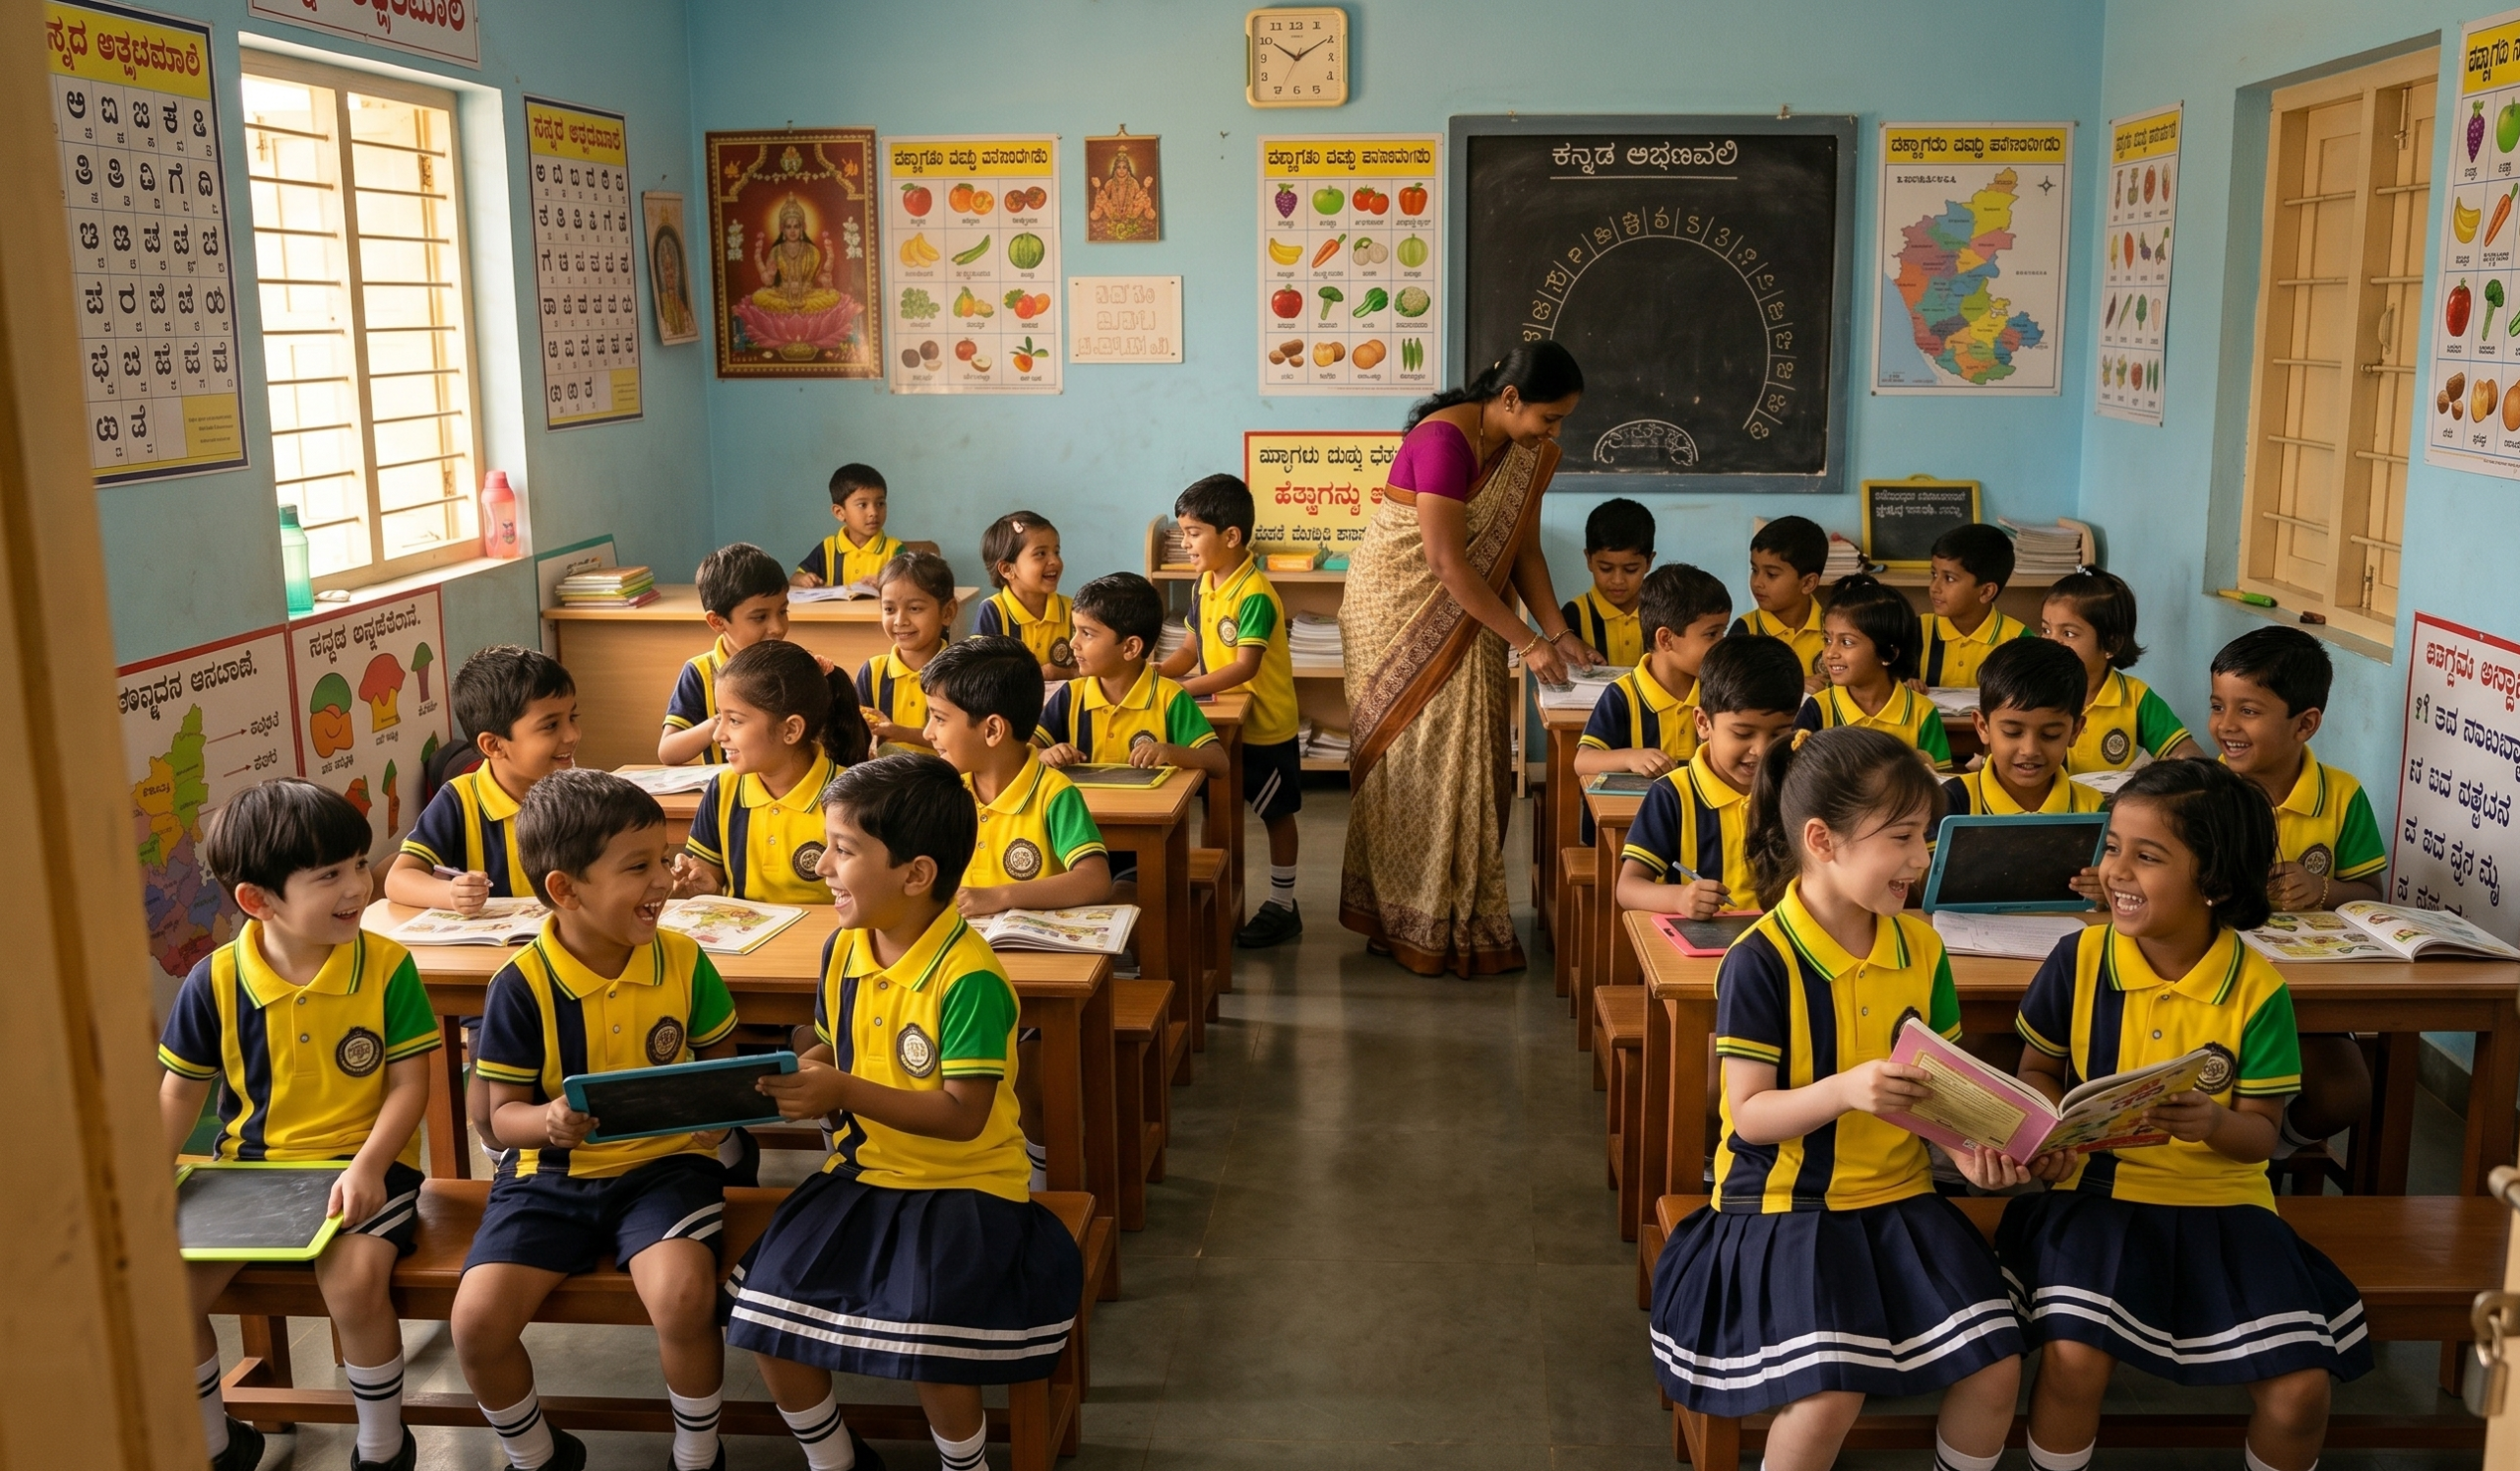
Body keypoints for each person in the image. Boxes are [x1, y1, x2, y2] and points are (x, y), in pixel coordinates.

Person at [1648, 727, 2023, 1471]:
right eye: (1902, 837)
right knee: (1830, 1395)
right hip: (1786, 1211)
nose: (1922, 859)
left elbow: (1940, 1092)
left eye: (1925, 836)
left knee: (1997, 1366)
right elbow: (1750, 1117)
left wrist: (1966, 1152)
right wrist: (1848, 1090)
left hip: (1899, 1201)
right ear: (1823, 840)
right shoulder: (1761, 959)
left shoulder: (1922, 947)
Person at [1995, 759, 2370, 1471]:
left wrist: (2213, 1125)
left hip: (2226, 1207)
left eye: (2148, 856)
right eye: (2113, 847)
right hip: (2098, 1197)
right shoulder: (2079, 958)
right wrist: (2045, 1122)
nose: (2116, 871)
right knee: (2074, 1360)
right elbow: (2037, 1068)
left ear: (2216, 883)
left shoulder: (2258, 991)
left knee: (2301, 1391)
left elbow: (2260, 1138)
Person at [729, 754, 1084, 1471]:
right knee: (764, 1316)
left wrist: (840, 1091)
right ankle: (835, 1459)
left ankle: (965, 1464)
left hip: (965, 1187)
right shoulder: (843, 948)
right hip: (861, 1173)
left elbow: (962, 1117)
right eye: (826, 845)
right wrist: (791, 1075)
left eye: (844, 849)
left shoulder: (969, 977)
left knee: (929, 1334)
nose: (821, 866)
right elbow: (835, 1044)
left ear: (916, 874)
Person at [452, 771, 740, 1471]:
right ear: (565, 889)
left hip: (667, 1168)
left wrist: (718, 1116)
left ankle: (698, 1453)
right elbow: (499, 1121)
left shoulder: (684, 959)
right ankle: (536, 1454)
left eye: (664, 859)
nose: (664, 880)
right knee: (477, 1323)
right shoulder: (520, 985)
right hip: (548, 1176)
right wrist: (548, 1121)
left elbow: (722, 1069)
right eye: (638, 867)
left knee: (683, 1296)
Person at [162, 779, 439, 1471]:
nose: (358, 887)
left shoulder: (387, 965)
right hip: (248, 1174)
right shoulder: (214, 980)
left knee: (354, 1285)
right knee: (161, 1297)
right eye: (329, 876)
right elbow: (179, 1097)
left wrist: (369, 1167)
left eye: (358, 864)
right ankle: (216, 1443)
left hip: (366, 1167)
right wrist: (145, 1185)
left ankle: (382, 1445)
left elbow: (410, 1085)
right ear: (258, 901)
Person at [1337, 342, 1590, 975]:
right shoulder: (1442, 441)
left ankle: (1455, 912)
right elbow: (1446, 562)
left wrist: (1557, 632)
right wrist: (1527, 642)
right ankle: (1400, 918)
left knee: (1472, 757)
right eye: (1549, 418)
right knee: (1413, 763)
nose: (1554, 433)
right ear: (1511, 398)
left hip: (1471, 609)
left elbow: (1523, 549)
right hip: (1394, 610)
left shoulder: (1525, 453)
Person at [922, 635, 1112, 1191]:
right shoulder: (943, 792)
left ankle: (1040, 1183)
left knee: (1029, 1072)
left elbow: (1094, 879)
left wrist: (1001, 895)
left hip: (1034, 982)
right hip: (956, 975)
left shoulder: (1053, 794)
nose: (927, 733)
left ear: (992, 730)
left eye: (939, 719)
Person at [2209, 624, 2384, 1154]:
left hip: (2307, 993)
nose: (2226, 725)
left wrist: (2323, 889)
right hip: (2212, 986)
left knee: (2345, 1093)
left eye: (2248, 711)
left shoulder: (2342, 795)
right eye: (2217, 706)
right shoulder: (2199, 793)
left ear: (2305, 723)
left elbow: (2371, 893)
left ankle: (2270, 1147)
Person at [1159, 475, 1308, 947]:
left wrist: (1182, 691)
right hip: (1220, 724)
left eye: (1193, 533)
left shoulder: (1255, 593)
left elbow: (1245, 667)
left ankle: (1282, 905)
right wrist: (1154, 676)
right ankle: (1216, 896)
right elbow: (1189, 649)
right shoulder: (1204, 584)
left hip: (1265, 726)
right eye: (1183, 533)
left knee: (1276, 814)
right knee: (1216, 807)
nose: (1185, 543)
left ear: (1230, 536)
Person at [1614, 634, 1804, 919]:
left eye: (1779, 734)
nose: (1761, 750)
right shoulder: (1673, 795)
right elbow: (1628, 888)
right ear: (1703, 723)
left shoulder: (1801, 787)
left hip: (1782, 937)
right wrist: (1680, 898)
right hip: (1701, 941)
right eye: (1743, 733)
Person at [673, 639, 869, 905]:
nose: (718, 735)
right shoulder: (723, 788)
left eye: (734, 720)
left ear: (790, 730)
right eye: (720, 717)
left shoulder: (852, 797)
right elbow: (709, 877)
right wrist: (702, 887)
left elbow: (867, 898)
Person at [386, 645, 578, 913]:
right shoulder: (458, 801)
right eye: (551, 725)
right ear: (494, 745)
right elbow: (397, 879)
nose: (572, 735)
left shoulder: (581, 795)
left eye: (573, 717)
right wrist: (451, 893)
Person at [1038, 572, 1228, 784]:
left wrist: (1170, 752)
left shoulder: (1170, 698)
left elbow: (1218, 762)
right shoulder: (1070, 696)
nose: (1073, 643)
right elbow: (1025, 750)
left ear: (1130, 648)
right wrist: (1044, 754)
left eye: (1087, 633)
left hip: (1151, 806)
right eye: (1075, 630)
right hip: (1084, 806)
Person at [1575, 562, 1732, 779]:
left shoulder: (1721, 690)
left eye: (1723, 632)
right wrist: (1630, 758)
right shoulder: (1622, 695)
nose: (1722, 644)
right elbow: (1582, 761)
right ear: (1666, 639)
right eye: (1712, 634)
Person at [2041, 567, 2201, 773]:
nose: (2052, 642)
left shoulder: (2135, 697)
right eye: (2046, 630)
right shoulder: (2030, 691)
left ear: (2112, 644)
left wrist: (2182, 762)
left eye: (2069, 633)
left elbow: (2188, 753)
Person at [1795, 575, 1952, 767]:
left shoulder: (1922, 712)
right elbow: (1798, 776)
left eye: (1846, 642)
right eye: (1827, 640)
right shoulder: (1817, 709)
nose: (1829, 653)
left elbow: (1938, 779)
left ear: (1888, 654)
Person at [661, 544, 795, 767]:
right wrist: (725, 721)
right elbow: (668, 752)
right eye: (760, 617)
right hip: (726, 786)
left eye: (783, 611)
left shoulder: (792, 665)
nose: (778, 628)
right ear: (717, 622)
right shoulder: (700, 672)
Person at [1945, 636, 2108, 818]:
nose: (2030, 750)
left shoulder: (2091, 807)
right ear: (1983, 727)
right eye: (2012, 732)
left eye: (2050, 734)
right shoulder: (1951, 802)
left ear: (2075, 731)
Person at [858, 551, 957, 754]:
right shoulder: (873, 672)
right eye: (889, 609)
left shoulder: (959, 672)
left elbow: (962, 742)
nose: (900, 620)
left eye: (914, 608)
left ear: (947, 612)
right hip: (883, 773)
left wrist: (899, 733)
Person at [1918, 523, 2032, 688]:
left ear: (1986, 592)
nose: (1934, 587)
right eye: (1934, 574)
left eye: (1949, 578)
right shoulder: (1915, 631)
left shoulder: (2020, 640)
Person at [972, 511, 1075, 680]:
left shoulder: (1072, 610)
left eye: (1056, 552)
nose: (1055, 561)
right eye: (1041, 554)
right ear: (1007, 569)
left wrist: (1067, 673)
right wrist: (1037, 675)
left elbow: (1090, 668)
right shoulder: (993, 611)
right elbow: (980, 675)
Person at [1732, 515, 1831, 691]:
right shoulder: (1745, 631)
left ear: (1808, 583)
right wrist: (1791, 687)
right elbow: (1727, 692)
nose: (1757, 582)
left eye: (1771, 574)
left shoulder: (1835, 630)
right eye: (1755, 570)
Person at [1560, 496, 1656, 669]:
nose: (1618, 580)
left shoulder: (1663, 613)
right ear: (1589, 559)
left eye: (1631, 569)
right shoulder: (1573, 615)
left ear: (1649, 562)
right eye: (1606, 568)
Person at [793, 464, 903, 590]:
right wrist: (803, 579)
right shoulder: (828, 548)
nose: (873, 512)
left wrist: (885, 583)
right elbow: (795, 577)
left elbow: (911, 586)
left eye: (880, 503)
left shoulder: (895, 550)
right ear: (839, 513)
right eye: (862, 505)